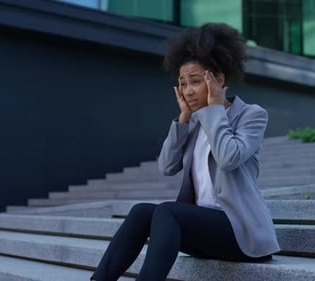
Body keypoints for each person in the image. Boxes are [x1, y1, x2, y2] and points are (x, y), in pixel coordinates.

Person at [90, 22, 280, 281]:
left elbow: (228, 159)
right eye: (183, 83)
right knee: (141, 212)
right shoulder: (196, 123)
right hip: (203, 227)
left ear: (218, 79)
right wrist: (183, 119)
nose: (188, 90)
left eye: (195, 82)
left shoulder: (251, 115)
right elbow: (167, 166)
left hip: (240, 232)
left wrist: (213, 110)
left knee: (168, 211)